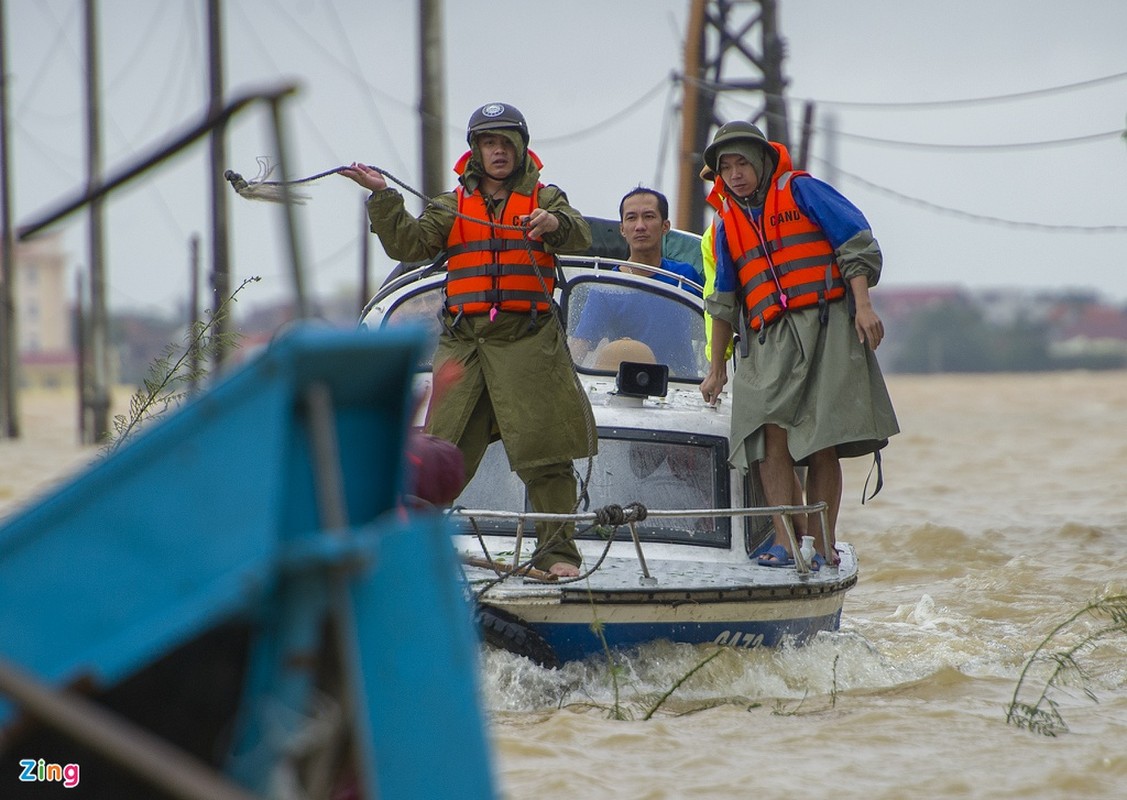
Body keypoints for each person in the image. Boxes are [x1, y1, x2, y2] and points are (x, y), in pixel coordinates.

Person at [340, 102, 596, 578]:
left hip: (528, 341)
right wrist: (381, 195)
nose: (497, 152)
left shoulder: (547, 197)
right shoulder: (452, 204)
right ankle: (407, 552)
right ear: (476, 151)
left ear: (520, 147)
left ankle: (558, 555)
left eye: (505, 143)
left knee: (546, 457)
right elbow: (409, 246)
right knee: (436, 452)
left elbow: (579, 233)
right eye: (487, 143)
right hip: (464, 343)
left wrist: (554, 224)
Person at [697, 120, 899, 569]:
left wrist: (863, 307)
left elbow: (855, 242)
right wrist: (715, 368)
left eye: (742, 163)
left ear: (762, 161)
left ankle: (824, 543)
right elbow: (723, 301)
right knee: (769, 434)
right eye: (725, 167)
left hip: (826, 325)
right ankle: (785, 541)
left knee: (822, 439)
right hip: (769, 336)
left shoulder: (801, 189)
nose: (734, 174)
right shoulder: (727, 222)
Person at [569, 187, 703, 375]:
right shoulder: (608, 288)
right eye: (631, 218)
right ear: (622, 229)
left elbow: (712, 329)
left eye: (648, 216)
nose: (640, 226)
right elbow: (579, 347)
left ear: (665, 226)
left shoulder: (685, 277)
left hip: (683, 388)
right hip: (627, 390)